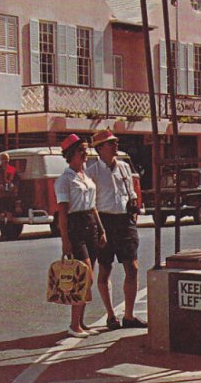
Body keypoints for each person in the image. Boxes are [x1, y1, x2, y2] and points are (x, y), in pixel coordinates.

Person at [86, 129, 148, 330]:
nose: (115, 145)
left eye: (115, 142)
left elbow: (131, 193)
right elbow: (90, 204)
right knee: (105, 269)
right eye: (110, 143)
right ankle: (111, 315)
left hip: (125, 221)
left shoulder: (123, 168)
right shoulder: (92, 172)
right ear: (100, 148)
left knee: (133, 267)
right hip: (104, 222)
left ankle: (129, 315)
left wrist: (134, 213)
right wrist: (98, 228)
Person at [54, 134, 107, 338]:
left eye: (85, 149)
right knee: (84, 277)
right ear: (70, 154)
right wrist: (65, 240)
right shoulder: (64, 180)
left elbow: (93, 207)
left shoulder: (86, 177)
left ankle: (81, 322)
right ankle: (74, 325)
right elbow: (63, 213)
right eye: (80, 150)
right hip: (75, 227)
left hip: (90, 225)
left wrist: (101, 230)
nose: (85, 153)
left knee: (87, 277)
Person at [0, 152, 21, 225]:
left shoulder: (12, 170)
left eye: (7, 159)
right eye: (3, 159)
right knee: (1, 215)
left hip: (10, 196)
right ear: (1, 160)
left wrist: (14, 187)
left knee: (10, 215)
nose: (5, 161)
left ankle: (9, 232)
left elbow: (17, 181)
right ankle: (3, 233)